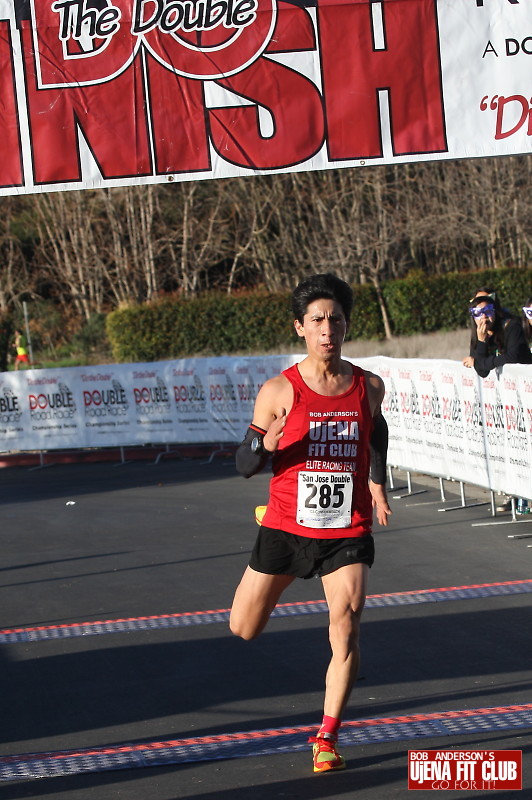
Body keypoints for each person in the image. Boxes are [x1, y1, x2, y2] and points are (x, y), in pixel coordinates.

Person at [230, 273, 391, 774]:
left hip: (346, 529)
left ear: (346, 325)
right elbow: (243, 462)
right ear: (300, 327)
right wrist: (265, 444)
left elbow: (377, 434)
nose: (327, 329)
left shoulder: (369, 386)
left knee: (347, 626)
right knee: (243, 628)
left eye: (335, 319)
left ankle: (326, 737)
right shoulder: (279, 390)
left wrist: (377, 483)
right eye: (317, 320)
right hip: (285, 526)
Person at [462, 295, 531, 378]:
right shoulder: (479, 334)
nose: (484, 316)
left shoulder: (511, 326)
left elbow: (513, 357)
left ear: (495, 312)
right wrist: (481, 342)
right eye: (478, 313)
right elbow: (482, 372)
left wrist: (484, 363)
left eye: (488, 311)